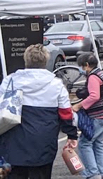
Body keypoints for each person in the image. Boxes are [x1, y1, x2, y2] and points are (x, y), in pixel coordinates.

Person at [0, 44, 78, 179]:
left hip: (14, 140)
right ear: (45, 61)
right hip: (44, 142)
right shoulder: (56, 85)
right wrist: (71, 135)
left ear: (26, 60)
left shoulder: (10, 80)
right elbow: (66, 113)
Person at [72, 53, 103, 179]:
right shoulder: (101, 73)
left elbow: (94, 96)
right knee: (98, 143)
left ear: (86, 65)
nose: (81, 69)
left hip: (98, 114)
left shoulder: (93, 77)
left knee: (85, 143)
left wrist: (78, 106)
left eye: (81, 66)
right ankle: (102, 173)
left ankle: (93, 174)